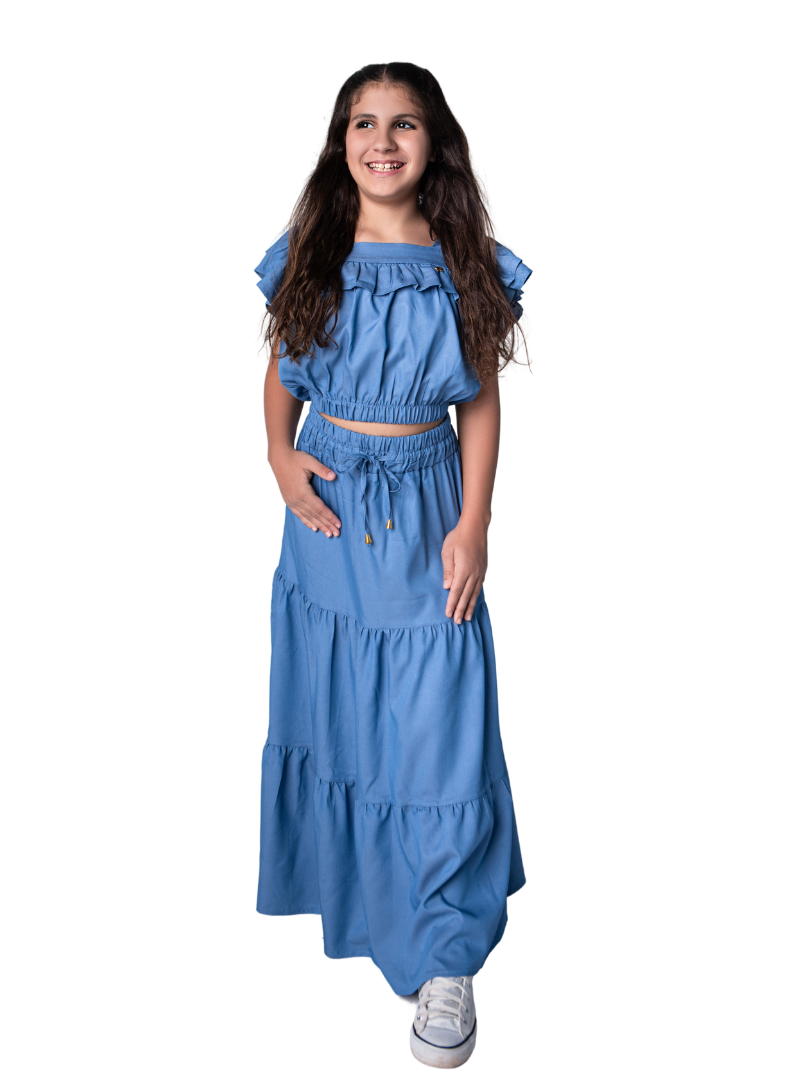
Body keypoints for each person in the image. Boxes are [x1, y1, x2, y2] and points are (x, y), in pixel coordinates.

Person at [254, 61, 532, 1070]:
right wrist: (279, 452)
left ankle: (448, 952)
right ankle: (377, 907)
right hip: (327, 508)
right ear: (342, 143)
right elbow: (279, 351)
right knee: (346, 712)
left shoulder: (465, 253)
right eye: (364, 123)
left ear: (434, 143)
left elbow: (482, 396)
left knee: (437, 721)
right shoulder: (312, 239)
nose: (382, 141)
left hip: (424, 506)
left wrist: (474, 525)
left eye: (404, 123)